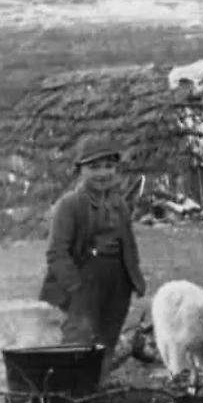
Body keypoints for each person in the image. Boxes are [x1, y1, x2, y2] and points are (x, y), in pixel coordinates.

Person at [39, 138, 146, 378]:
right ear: (80, 171)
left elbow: (128, 244)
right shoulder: (70, 205)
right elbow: (56, 252)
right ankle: (69, 391)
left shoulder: (119, 204)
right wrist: (75, 288)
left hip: (118, 281)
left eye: (109, 166)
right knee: (78, 338)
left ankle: (98, 387)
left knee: (108, 338)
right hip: (84, 280)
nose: (103, 173)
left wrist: (135, 279)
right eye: (94, 167)